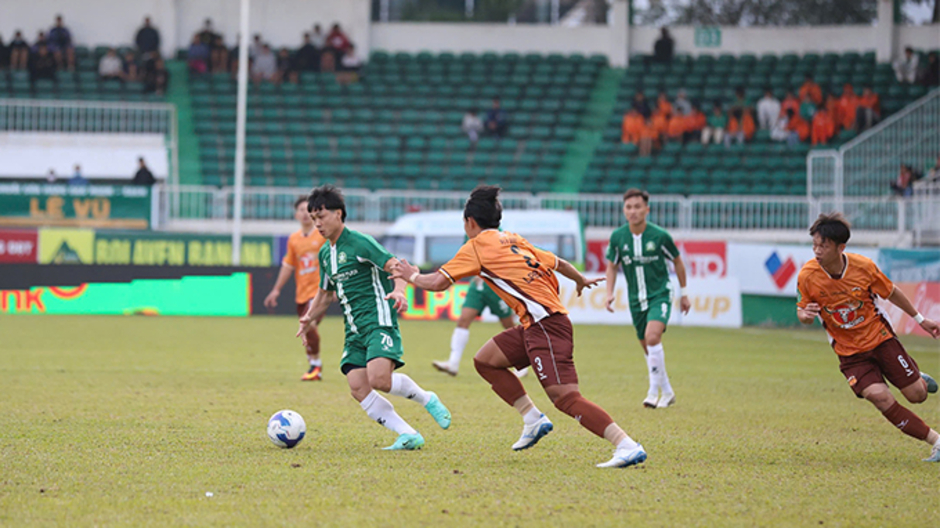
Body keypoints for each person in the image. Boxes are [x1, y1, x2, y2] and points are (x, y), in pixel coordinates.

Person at [391, 185, 647, 468]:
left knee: (565, 398)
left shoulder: (475, 246)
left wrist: (411, 275)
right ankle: (532, 418)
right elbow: (557, 262)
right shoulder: (512, 239)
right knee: (486, 361)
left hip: (546, 326)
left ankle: (625, 444)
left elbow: (438, 283)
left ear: (470, 222)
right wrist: (579, 279)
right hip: (536, 324)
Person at [296, 185, 452, 451]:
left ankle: (427, 399)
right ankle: (408, 434)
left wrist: (399, 291)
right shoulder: (325, 253)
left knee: (379, 379)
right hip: (354, 329)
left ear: (339, 214)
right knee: (358, 386)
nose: (317, 223)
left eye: (321, 216)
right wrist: (309, 318)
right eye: (314, 218)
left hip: (378, 319)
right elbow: (324, 294)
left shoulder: (360, 242)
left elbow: (399, 267)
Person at [796, 213, 940, 462]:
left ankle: (918, 378)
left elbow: (892, 292)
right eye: (814, 245)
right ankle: (937, 441)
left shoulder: (863, 267)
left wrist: (920, 319)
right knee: (879, 396)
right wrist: (805, 315)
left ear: (840, 247)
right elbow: (803, 311)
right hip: (849, 353)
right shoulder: (808, 275)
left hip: (880, 339)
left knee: (917, 395)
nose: (817, 251)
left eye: (823, 245)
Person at [605, 189, 690, 409]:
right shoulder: (618, 237)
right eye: (629, 207)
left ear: (647, 210)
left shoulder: (660, 236)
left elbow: (678, 262)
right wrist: (609, 292)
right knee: (648, 348)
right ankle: (668, 391)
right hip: (636, 300)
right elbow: (612, 266)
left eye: (637, 207)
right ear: (624, 211)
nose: (633, 211)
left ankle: (653, 392)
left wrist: (684, 293)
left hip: (659, 295)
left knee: (652, 337)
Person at [265, 197, 328, 381]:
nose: (305, 213)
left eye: (308, 209)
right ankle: (312, 363)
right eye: (301, 210)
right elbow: (288, 266)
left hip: (319, 292)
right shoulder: (294, 239)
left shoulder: (323, 235)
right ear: (296, 215)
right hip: (302, 293)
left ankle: (316, 366)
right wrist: (276, 290)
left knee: (310, 324)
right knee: (306, 327)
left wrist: (334, 286)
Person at [431, 275, 520, 377]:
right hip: (478, 285)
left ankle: (521, 365)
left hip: (496, 285)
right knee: (464, 320)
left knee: (508, 326)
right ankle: (453, 363)